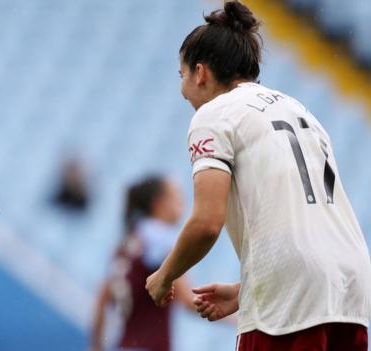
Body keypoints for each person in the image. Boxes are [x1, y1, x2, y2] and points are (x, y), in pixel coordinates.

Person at [145, 1, 371, 350]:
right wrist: (243, 290)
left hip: (291, 296)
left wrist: (165, 276)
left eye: (182, 76)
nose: (183, 89)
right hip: (350, 286)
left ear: (200, 73)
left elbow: (207, 222)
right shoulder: (301, 111)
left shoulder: (214, 114)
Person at [91, 176, 194, 351]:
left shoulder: (127, 244)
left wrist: (97, 347)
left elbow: (102, 299)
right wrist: (237, 314)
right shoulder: (160, 240)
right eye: (176, 196)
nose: (182, 203)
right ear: (159, 204)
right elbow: (188, 299)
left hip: (125, 345)